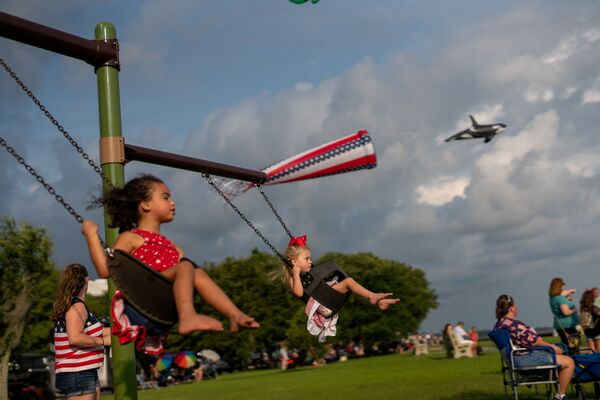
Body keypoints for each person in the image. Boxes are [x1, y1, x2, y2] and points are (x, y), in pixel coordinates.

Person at [82, 174, 259, 336]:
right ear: (145, 204)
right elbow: (106, 270)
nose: (172, 202)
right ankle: (188, 317)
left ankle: (234, 315)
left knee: (195, 271)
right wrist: (92, 236)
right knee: (186, 266)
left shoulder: (173, 247)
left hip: (164, 308)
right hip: (140, 305)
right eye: (165, 197)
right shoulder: (131, 238)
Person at [280, 235, 399, 342]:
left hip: (327, 298)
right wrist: (296, 274)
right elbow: (299, 293)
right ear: (294, 262)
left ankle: (379, 301)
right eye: (307, 259)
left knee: (350, 286)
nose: (310, 262)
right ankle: (373, 297)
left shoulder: (309, 273)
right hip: (323, 304)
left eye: (310, 258)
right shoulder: (293, 278)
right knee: (349, 282)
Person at [494, 294, 574, 400]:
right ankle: (560, 396)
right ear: (512, 308)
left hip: (517, 359)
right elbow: (535, 341)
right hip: (525, 359)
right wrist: (552, 346)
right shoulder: (514, 324)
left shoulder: (500, 324)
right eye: (515, 305)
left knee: (559, 359)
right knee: (569, 362)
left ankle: (558, 393)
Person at [52, 264, 111, 400]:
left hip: (83, 370)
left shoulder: (72, 305)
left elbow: (96, 332)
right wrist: (103, 341)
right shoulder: (77, 306)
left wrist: (120, 331)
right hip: (77, 372)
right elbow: (75, 338)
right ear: (87, 280)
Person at [549, 277, 580, 347]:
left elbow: (563, 293)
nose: (564, 286)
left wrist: (570, 291)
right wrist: (574, 310)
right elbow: (566, 312)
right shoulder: (560, 298)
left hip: (559, 325)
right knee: (574, 345)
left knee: (566, 345)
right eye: (562, 285)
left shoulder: (552, 298)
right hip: (568, 325)